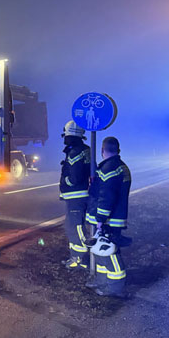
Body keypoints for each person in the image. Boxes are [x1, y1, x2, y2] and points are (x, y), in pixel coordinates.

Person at [85, 136, 131, 297]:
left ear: (103, 150)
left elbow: (106, 197)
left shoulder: (108, 168)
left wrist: (100, 220)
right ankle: (102, 282)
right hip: (115, 217)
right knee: (101, 251)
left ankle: (115, 288)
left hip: (108, 220)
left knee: (109, 252)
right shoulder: (120, 166)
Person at [59, 121, 91, 269]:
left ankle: (80, 259)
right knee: (73, 226)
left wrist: (66, 181)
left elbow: (74, 177)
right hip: (81, 196)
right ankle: (76, 256)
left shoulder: (74, 152)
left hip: (76, 197)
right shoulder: (85, 149)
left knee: (75, 227)